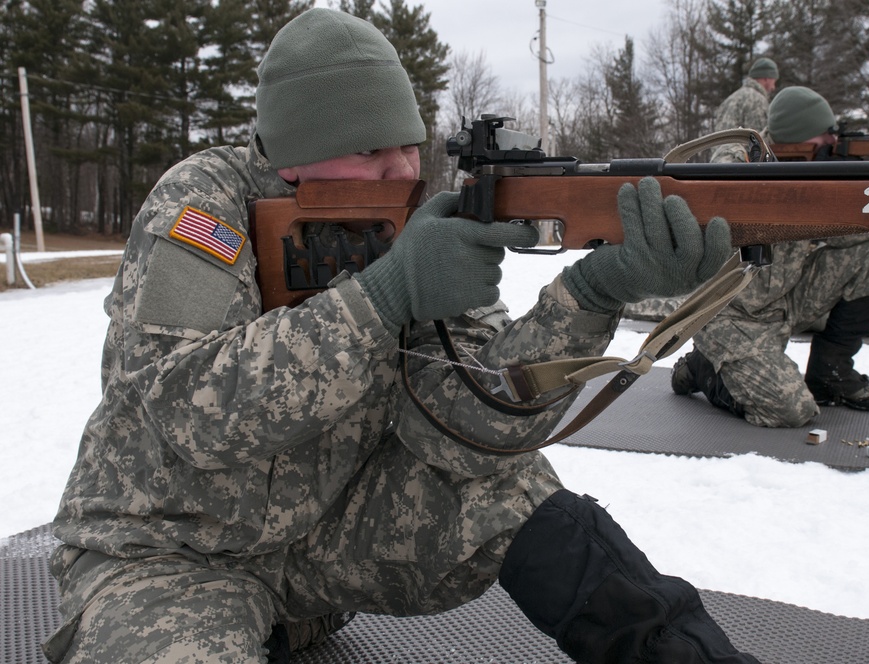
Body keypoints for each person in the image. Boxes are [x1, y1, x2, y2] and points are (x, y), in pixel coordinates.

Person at [42, 8, 760, 664]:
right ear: (295, 156)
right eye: (371, 152)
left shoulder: (411, 224)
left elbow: (468, 429)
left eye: (410, 146)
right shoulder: (201, 206)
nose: (404, 171)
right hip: (168, 551)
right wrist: (384, 299)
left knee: (510, 490)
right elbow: (187, 410)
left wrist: (591, 293)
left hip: (318, 549)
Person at [671, 86, 869, 428]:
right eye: (826, 136)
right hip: (728, 314)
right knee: (791, 411)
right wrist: (810, 188)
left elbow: (853, 241)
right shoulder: (739, 159)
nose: (833, 142)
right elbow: (732, 213)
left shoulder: (814, 164)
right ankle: (703, 366)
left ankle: (829, 375)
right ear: (800, 137)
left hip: (784, 299)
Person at [711, 57, 780, 163]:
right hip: (739, 168)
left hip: (718, 164)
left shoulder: (731, 98)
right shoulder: (757, 101)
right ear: (766, 78)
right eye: (774, 81)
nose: (773, 87)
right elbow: (760, 144)